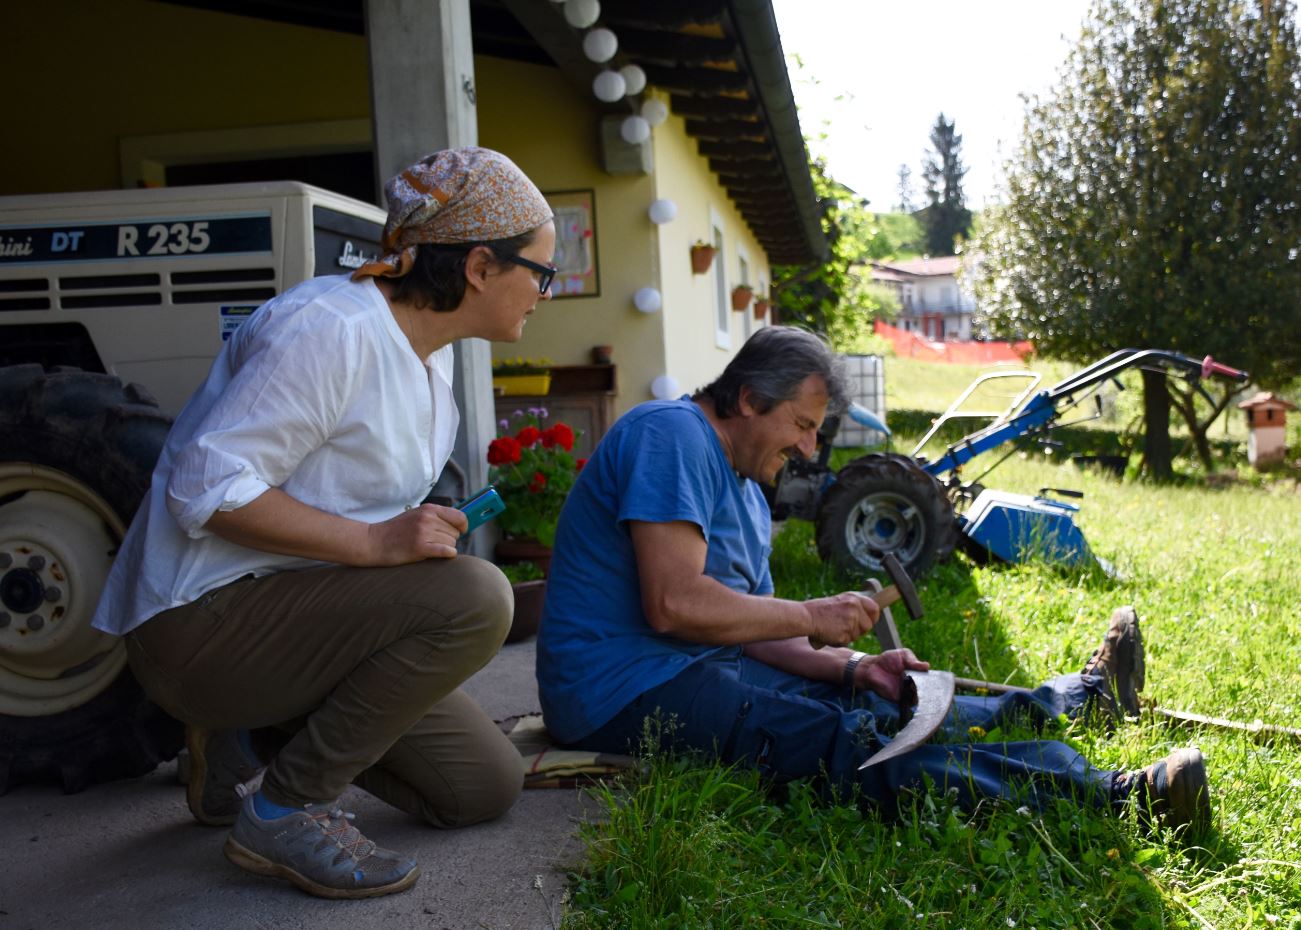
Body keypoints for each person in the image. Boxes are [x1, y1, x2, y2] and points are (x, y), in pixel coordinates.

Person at [91, 147, 558, 899]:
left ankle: (244, 735)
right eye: (539, 272)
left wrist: (404, 527)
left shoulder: (430, 363)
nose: (543, 293)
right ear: (478, 266)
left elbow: (341, 496)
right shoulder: (329, 328)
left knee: (480, 788)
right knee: (478, 597)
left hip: (295, 620)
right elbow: (205, 488)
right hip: (199, 625)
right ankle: (282, 809)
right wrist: (376, 542)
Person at [537, 325, 1211, 838]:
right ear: (746, 398)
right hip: (615, 691)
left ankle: (1079, 701)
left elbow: (741, 627)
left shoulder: (744, 487)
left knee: (884, 703)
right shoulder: (670, 436)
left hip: (691, 663)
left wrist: (856, 668)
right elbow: (674, 606)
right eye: (801, 426)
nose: (807, 449)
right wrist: (810, 615)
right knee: (845, 744)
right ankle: (1118, 797)